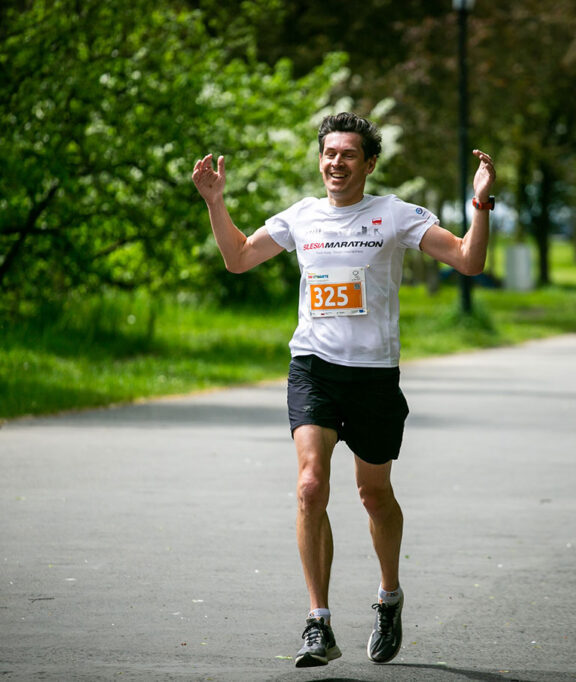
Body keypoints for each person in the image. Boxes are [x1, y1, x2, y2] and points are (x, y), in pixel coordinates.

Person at [191, 112, 495, 667]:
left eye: (348, 154)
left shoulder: (395, 215)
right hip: (314, 367)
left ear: (369, 163)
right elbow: (238, 259)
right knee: (310, 487)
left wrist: (479, 204)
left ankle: (388, 596)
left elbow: (469, 261)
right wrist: (216, 202)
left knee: (374, 495)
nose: (336, 163)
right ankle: (318, 622)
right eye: (329, 153)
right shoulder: (301, 217)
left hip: (374, 376)